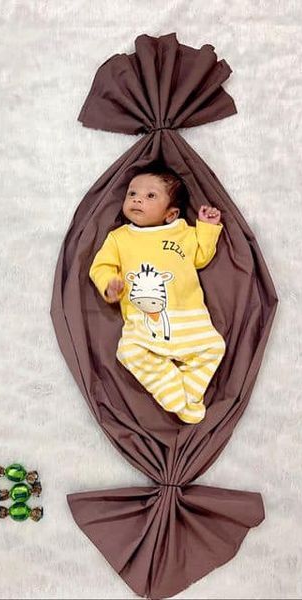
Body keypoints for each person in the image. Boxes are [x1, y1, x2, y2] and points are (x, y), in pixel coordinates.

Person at [89, 169, 226, 424]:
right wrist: (110, 286)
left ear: (170, 214)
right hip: (145, 324)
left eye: (150, 195)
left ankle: (184, 395)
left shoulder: (182, 231)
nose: (137, 199)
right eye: (132, 194)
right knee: (128, 352)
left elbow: (201, 256)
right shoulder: (119, 238)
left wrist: (207, 228)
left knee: (215, 347)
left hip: (189, 320)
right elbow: (100, 267)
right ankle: (178, 396)